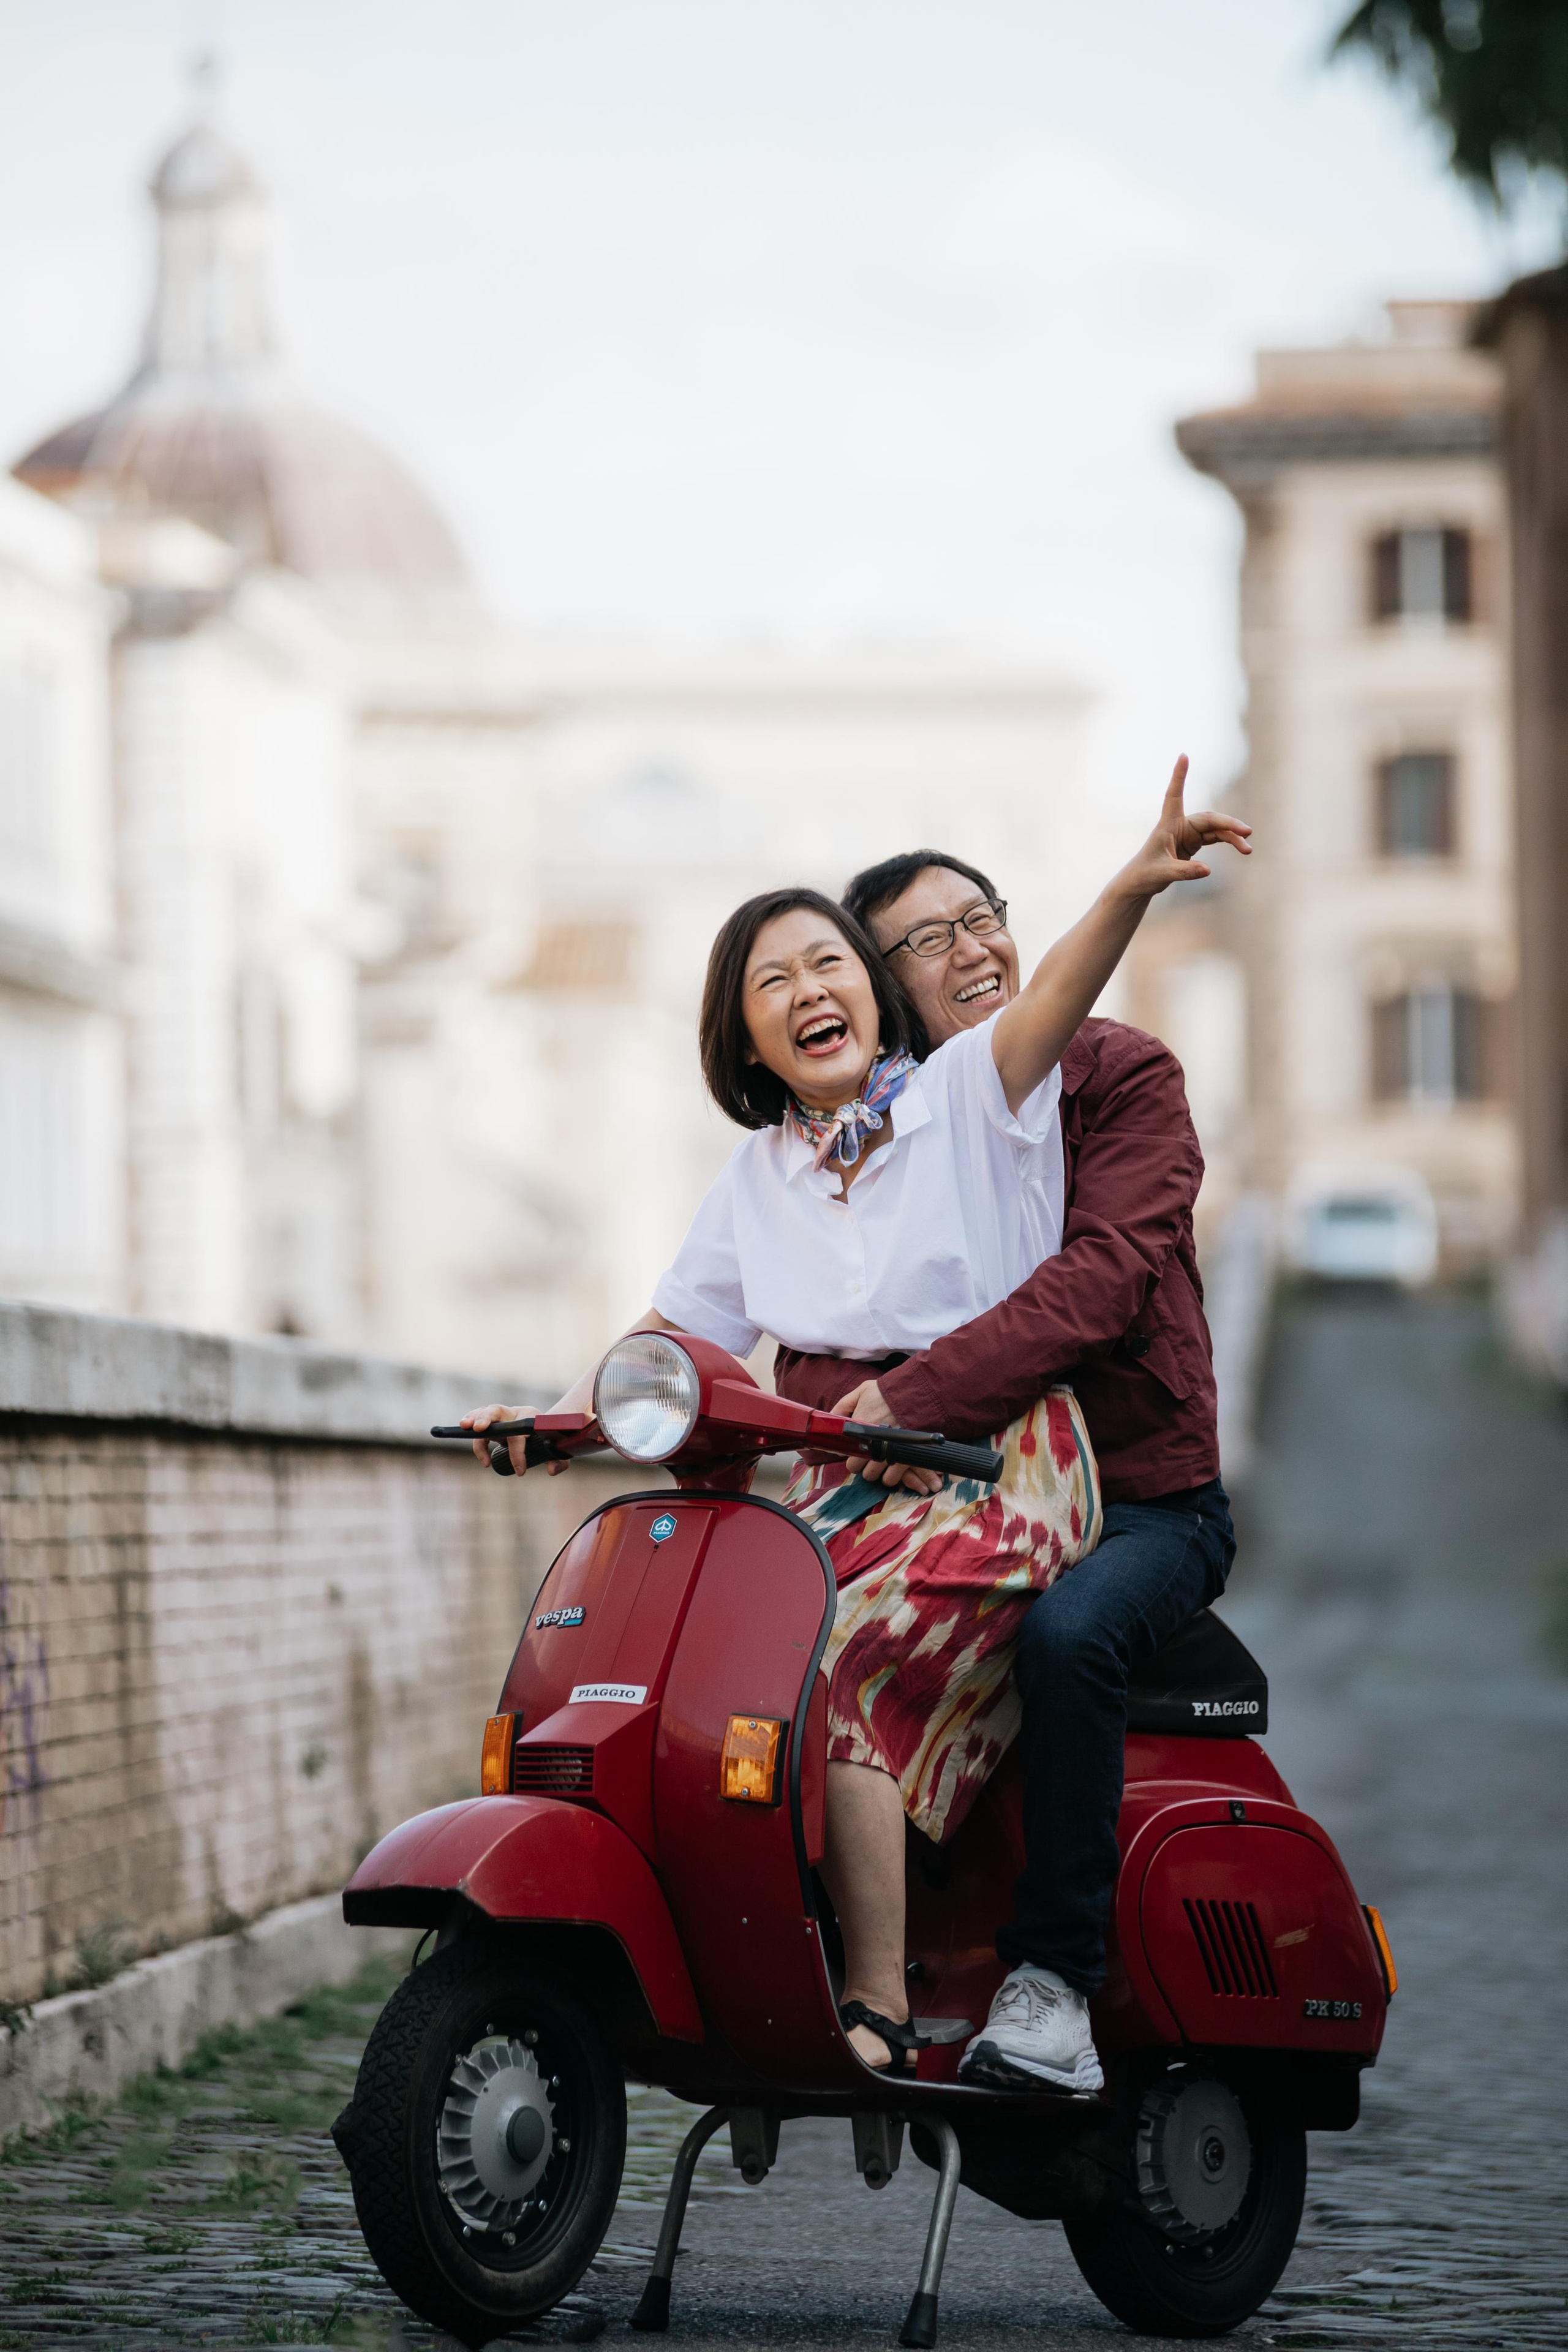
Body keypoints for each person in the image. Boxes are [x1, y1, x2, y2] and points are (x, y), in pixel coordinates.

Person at [463, 760, 1249, 2080]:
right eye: (771, 985)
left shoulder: (964, 1100)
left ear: (871, 998)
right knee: (719, 1669)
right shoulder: (758, 1172)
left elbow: (1059, 1007)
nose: (805, 994)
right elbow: (677, 1343)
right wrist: (554, 1420)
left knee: (835, 1668)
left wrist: (1127, 883)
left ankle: (880, 2003)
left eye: (825, 966)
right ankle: (742, 1961)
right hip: (856, 1476)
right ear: (746, 1038)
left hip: (999, 1461)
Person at [771, 844, 1238, 2095]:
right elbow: (826, 1320)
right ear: (879, 987)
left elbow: (1093, 1285)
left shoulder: (1119, 1075)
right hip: (961, 1494)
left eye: (979, 920)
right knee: (766, 1635)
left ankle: (1052, 1990)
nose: (971, 950)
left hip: (1144, 1507)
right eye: (927, 941)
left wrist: (908, 1404)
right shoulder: (886, 1138)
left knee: (1071, 1637)